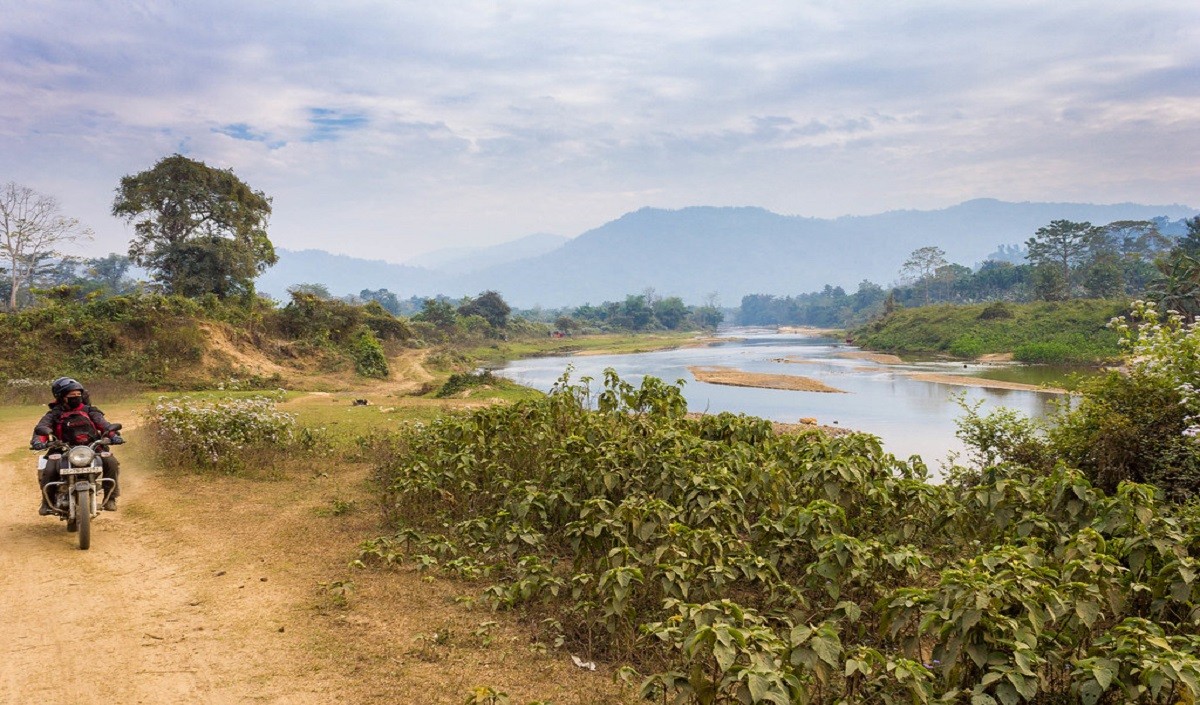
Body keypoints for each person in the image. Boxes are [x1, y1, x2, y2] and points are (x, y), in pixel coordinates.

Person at [30, 377, 125, 515]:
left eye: (78, 395)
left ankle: (111, 497)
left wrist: (113, 436)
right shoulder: (54, 414)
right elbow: (42, 428)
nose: (76, 398)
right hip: (62, 449)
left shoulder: (90, 411)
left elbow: (104, 425)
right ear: (61, 397)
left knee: (111, 462)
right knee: (49, 469)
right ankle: (47, 501)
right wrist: (38, 441)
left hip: (92, 448)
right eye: (71, 396)